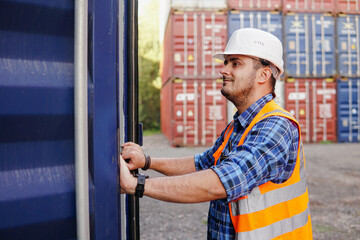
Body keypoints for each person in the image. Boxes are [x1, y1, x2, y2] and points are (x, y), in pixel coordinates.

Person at [120, 28, 313, 240]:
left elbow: (224, 180)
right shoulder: (239, 125)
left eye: (235, 63)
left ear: (264, 74)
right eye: (226, 63)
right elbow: (203, 163)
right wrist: (146, 161)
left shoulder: (277, 126)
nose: (224, 70)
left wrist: (136, 185)